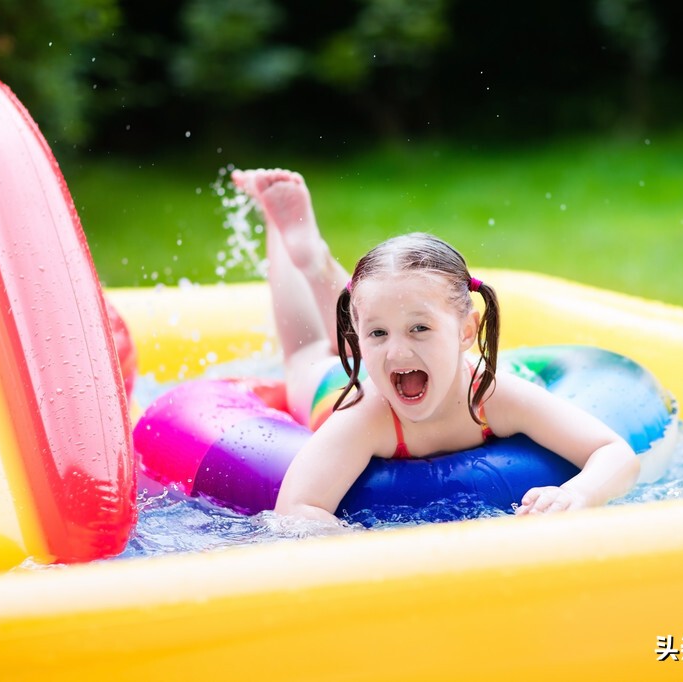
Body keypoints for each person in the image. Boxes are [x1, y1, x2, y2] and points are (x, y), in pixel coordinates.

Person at [232, 168, 639, 524]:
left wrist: (578, 494)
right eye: (376, 334)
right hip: (333, 388)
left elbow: (613, 451)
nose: (398, 351)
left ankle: (322, 268)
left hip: (381, 370)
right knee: (305, 354)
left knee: (377, 319)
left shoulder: (491, 395)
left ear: (466, 331)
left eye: (420, 328)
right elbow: (295, 509)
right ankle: (291, 239)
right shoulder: (367, 416)